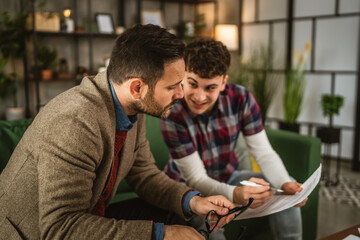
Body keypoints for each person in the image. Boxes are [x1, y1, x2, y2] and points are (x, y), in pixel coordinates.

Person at [0, 25, 237, 240]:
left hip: (87, 216)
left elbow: (143, 174)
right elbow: (61, 228)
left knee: (175, 215)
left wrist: (193, 201)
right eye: (172, 86)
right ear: (137, 87)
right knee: (168, 229)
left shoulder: (134, 105)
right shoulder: (75, 121)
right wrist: (162, 234)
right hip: (31, 233)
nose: (180, 94)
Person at [160, 38, 308, 240]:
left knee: (286, 187)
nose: (200, 97)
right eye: (192, 84)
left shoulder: (241, 99)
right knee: (213, 220)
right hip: (188, 190)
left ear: (223, 83)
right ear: (183, 77)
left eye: (210, 88)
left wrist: (283, 183)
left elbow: (263, 153)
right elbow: (196, 179)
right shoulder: (173, 111)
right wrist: (237, 194)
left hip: (229, 176)